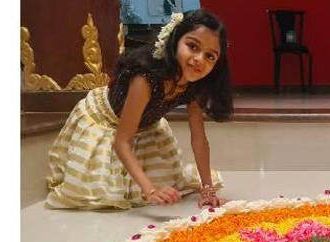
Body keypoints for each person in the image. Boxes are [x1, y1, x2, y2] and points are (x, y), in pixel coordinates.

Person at [46, 9, 232, 209]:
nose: (199, 59)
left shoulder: (194, 86)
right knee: (98, 191)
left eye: (210, 56)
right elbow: (122, 141)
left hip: (145, 125)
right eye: (192, 46)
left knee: (169, 181)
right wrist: (149, 190)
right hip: (105, 120)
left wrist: (208, 190)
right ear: (175, 40)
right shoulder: (145, 79)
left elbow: (199, 139)